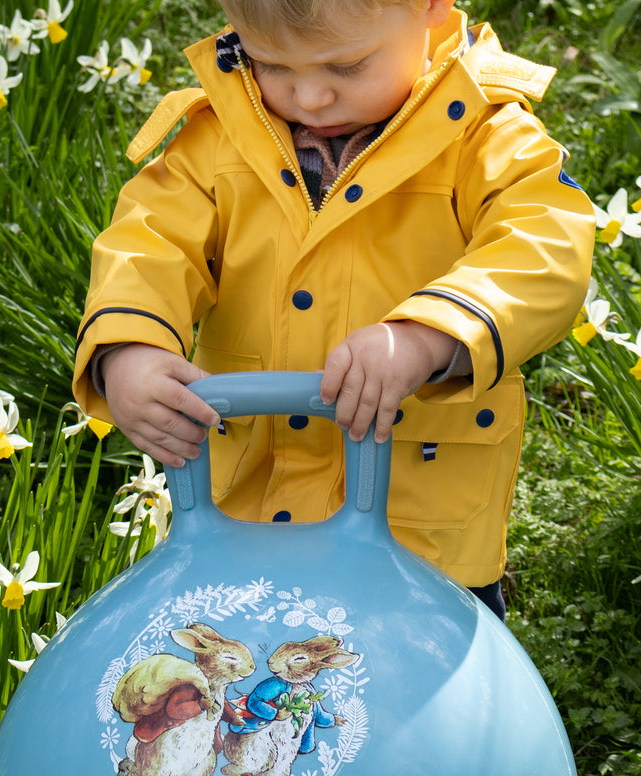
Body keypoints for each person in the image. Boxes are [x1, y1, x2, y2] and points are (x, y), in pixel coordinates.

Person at [72, 0, 596, 618]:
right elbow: (150, 242)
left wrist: (428, 335)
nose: (310, 97)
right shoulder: (220, 134)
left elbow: (544, 246)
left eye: (346, 67)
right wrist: (128, 347)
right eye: (272, 64)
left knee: (419, 672)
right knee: (237, 664)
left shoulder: (483, 132)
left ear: (429, 7)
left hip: (418, 528)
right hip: (247, 508)